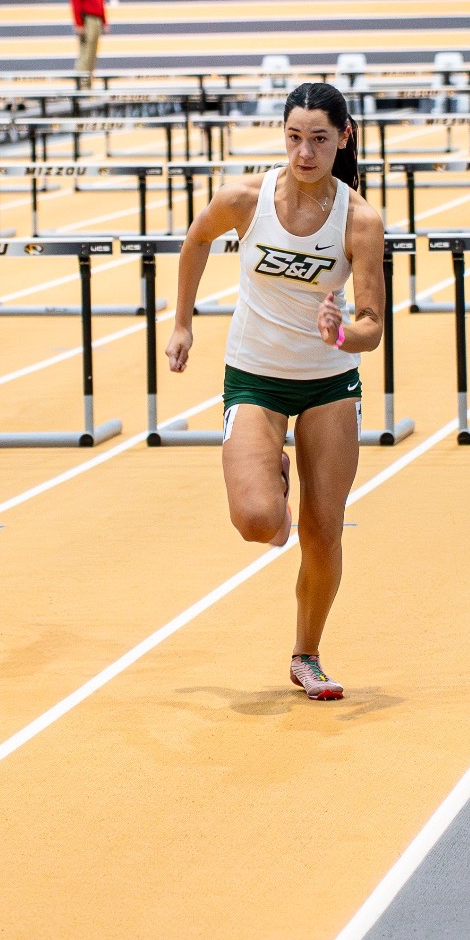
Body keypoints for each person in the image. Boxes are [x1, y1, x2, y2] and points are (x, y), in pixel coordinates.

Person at [163, 82, 389, 701]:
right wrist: (182, 323)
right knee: (259, 520)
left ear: (343, 138)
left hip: (328, 384)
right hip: (255, 376)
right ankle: (271, 468)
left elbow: (372, 325)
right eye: (294, 138)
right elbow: (196, 239)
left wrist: (344, 330)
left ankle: (306, 653)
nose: (305, 152)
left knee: (323, 529)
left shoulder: (359, 220)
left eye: (319, 139)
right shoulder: (246, 198)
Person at [70, 0, 106, 80]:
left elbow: (100, 0)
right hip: (87, 20)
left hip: (96, 20)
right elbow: (76, 2)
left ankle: (89, 85)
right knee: (85, 54)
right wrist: (79, 24)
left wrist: (104, 21)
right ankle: (82, 87)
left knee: (93, 54)